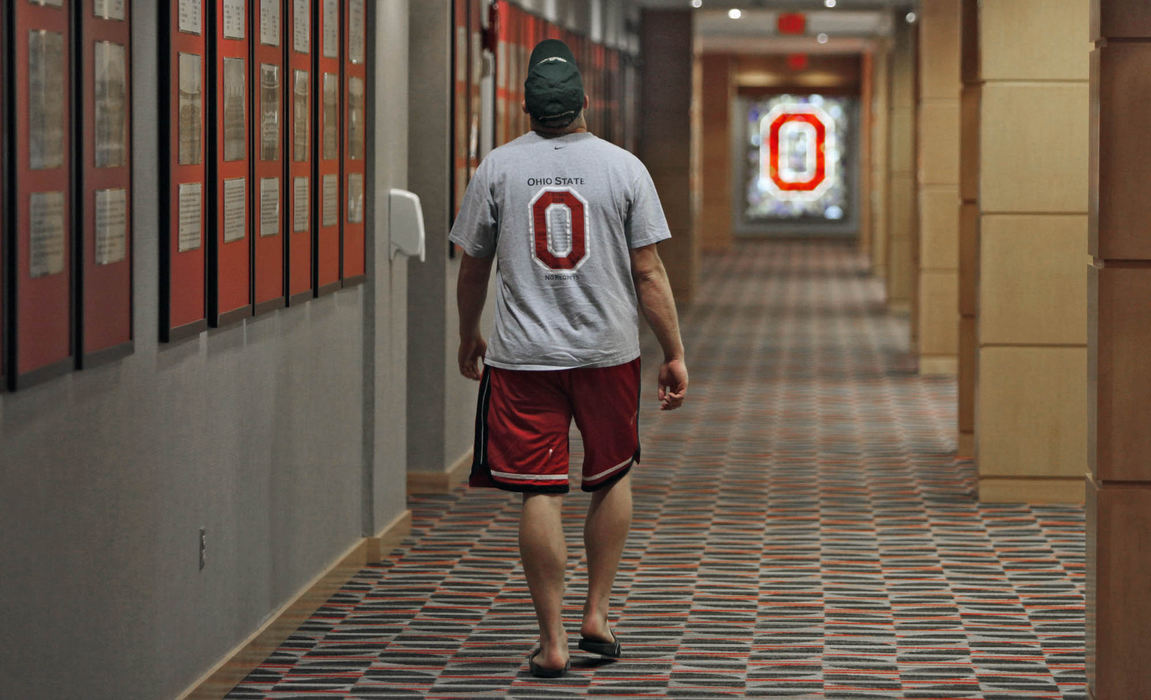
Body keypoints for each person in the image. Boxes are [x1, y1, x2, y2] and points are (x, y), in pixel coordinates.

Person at [450, 38, 687, 679]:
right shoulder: (624, 167)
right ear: (584, 101)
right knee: (610, 475)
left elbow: (473, 268)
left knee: (539, 492)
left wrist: (470, 333)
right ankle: (597, 615)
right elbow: (649, 272)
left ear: (526, 107)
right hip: (606, 350)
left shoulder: (495, 168)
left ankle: (551, 641)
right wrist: (672, 352)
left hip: (523, 355)